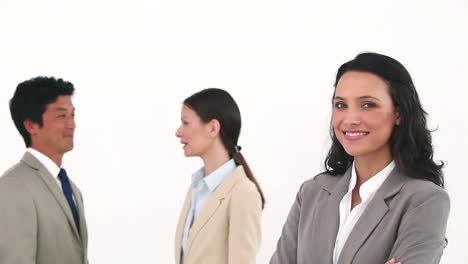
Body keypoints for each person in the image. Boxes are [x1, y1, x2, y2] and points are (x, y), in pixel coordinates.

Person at [270, 52, 450, 264]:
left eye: (368, 105)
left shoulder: (424, 200)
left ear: (398, 113)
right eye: (340, 105)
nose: (350, 119)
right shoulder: (312, 193)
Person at [0, 77, 89, 264]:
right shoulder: (14, 187)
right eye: (61, 116)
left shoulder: (71, 189)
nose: (72, 125)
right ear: (31, 125)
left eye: (73, 115)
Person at [174, 88, 264, 264]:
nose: (178, 131)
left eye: (185, 123)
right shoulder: (196, 189)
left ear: (213, 128)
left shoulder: (243, 192)